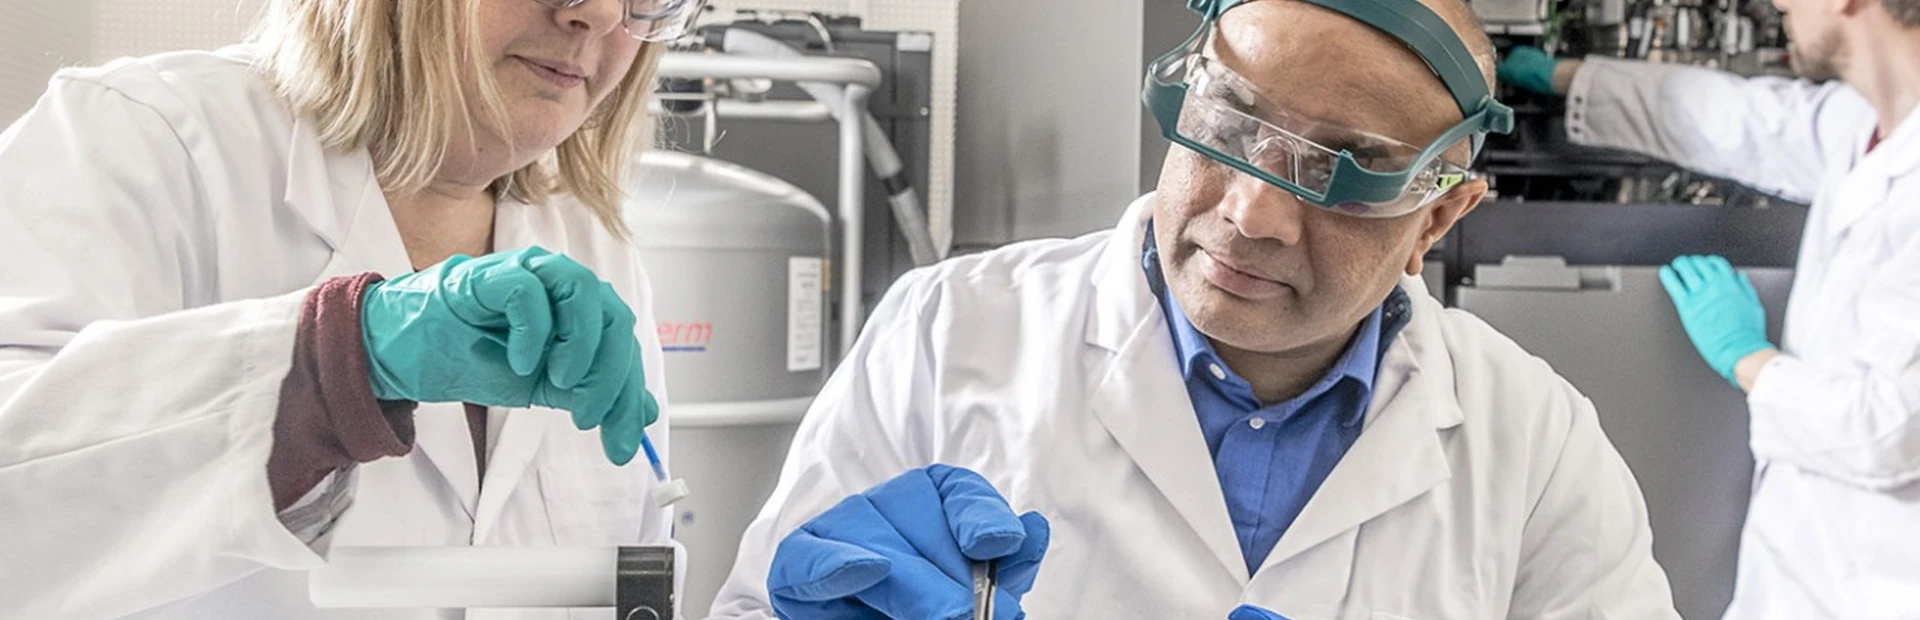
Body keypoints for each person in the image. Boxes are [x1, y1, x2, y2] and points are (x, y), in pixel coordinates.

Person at [705, 0, 1682, 618]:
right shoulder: (948, 331)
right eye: (1227, 121)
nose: (1250, 212)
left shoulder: (1535, 437)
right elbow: (755, 606)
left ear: (1440, 215)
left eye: (1341, 170)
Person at [0, 0, 704, 618]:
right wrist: (333, 365)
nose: (605, 14)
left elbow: (626, 568)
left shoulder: (594, 246)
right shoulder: (148, 141)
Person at [1499, 0, 1920, 615]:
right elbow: (1736, 120)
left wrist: (1749, 359)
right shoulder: (1869, 125)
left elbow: (1893, 432)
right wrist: (1559, 76)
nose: (1778, 5)